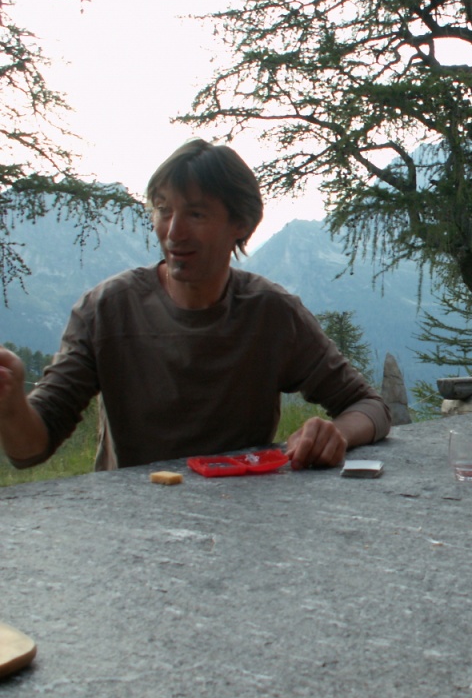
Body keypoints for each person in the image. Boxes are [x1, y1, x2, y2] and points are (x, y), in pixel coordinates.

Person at [0, 138, 391, 472]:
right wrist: (12, 401)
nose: (174, 231)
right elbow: (30, 448)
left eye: (196, 213)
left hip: (244, 512)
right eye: (163, 209)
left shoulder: (272, 314)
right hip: (130, 519)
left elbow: (369, 406)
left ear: (240, 224)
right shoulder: (105, 310)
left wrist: (335, 433)